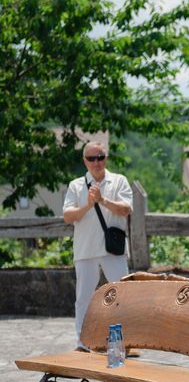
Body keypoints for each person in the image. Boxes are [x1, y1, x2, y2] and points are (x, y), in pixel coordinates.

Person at [63, 141, 132, 351]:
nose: (96, 162)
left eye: (100, 157)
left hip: (113, 250)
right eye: (92, 158)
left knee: (123, 297)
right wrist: (88, 205)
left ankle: (123, 343)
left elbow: (126, 209)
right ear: (84, 161)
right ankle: (82, 343)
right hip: (85, 249)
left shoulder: (119, 181)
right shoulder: (76, 185)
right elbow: (68, 216)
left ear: (106, 158)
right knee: (83, 299)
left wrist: (102, 200)